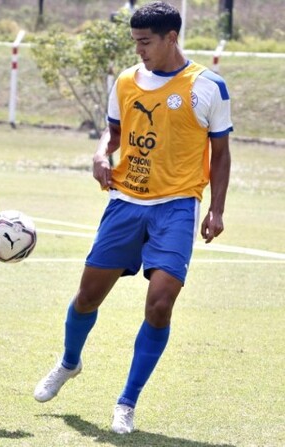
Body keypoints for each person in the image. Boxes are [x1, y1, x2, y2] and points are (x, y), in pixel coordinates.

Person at [33, 1, 232, 435]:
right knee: (87, 297)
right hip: (126, 201)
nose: (139, 50)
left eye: (146, 42)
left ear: (170, 38)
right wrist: (101, 152)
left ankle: (126, 402)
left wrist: (215, 208)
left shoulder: (208, 86)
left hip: (178, 205)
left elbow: (220, 153)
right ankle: (69, 362)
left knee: (160, 304)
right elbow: (115, 132)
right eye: (135, 41)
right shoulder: (126, 81)